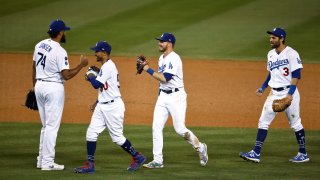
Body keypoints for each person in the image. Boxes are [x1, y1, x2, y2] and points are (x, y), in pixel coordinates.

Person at [74, 41, 146, 173]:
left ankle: (137, 156)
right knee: (91, 133)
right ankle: (90, 164)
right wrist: (97, 101)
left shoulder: (108, 66)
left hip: (113, 107)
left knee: (117, 138)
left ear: (104, 53)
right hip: (102, 105)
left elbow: (96, 85)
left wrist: (90, 75)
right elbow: (106, 88)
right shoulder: (105, 67)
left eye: (97, 51)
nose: (95, 53)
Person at [239, 28, 309, 163]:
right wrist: (263, 87)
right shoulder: (270, 54)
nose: (270, 40)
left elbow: (297, 75)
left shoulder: (291, 53)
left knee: (295, 124)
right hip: (274, 93)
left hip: (289, 92)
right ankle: (256, 153)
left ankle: (303, 153)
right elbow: (271, 72)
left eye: (274, 38)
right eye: (271, 37)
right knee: (263, 122)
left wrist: (290, 95)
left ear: (281, 38)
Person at [140, 32, 208, 168]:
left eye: (162, 41)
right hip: (163, 96)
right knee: (156, 127)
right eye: (159, 41)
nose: (159, 43)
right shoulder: (161, 57)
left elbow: (165, 78)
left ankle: (200, 147)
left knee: (180, 129)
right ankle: (158, 161)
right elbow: (162, 81)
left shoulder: (174, 59)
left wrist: (147, 69)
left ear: (169, 44)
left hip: (176, 97)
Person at [33, 19, 88, 170]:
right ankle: (47, 163)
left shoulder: (39, 45)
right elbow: (66, 75)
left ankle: (41, 160)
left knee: (45, 126)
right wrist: (81, 65)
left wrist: (35, 88)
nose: (65, 33)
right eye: (64, 31)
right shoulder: (59, 51)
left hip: (39, 85)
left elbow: (34, 67)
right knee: (51, 127)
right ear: (60, 33)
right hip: (53, 89)